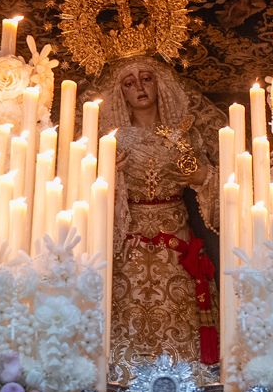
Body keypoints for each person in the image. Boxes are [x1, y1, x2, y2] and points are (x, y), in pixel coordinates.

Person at [93, 56, 222, 371]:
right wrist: (109, 177)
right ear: (120, 93)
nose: (139, 87)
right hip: (128, 243)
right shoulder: (111, 141)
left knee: (178, 314)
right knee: (125, 311)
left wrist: (201, 177)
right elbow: (87, 195)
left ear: (159, 84)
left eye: (146, 78)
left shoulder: (183, 135)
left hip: (175, 243)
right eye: (129, 82)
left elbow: (215, 184)